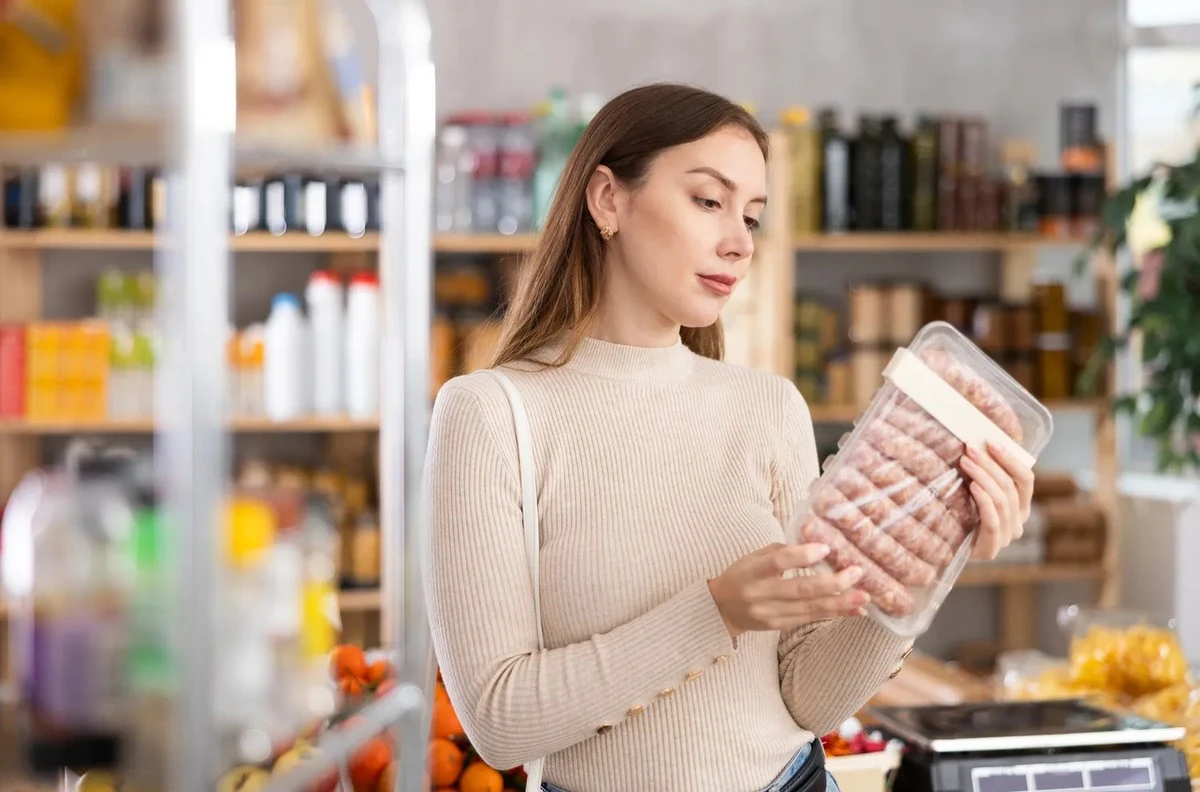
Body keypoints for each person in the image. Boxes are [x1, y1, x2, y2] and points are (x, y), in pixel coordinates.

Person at [424, 83, 1034, 792]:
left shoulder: (769, 407)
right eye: (708, 202)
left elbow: (809, 700)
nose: (739, 243)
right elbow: (498, 722)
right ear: (607, 199)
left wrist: (928, 561)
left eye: (752, 215)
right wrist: (716, 613)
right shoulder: (490, 414)